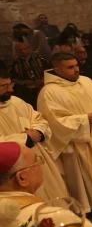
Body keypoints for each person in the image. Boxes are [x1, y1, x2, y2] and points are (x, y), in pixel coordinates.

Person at [37, 53, 92, 212]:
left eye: (76, 65)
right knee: (90, 179)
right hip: (79, 143)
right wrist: (84, 120)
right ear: (57, 69)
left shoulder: (86, 81)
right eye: (70, 67)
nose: (76, 70)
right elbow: (54, 123)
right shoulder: (48, 93)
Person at [0, 74, 70, 203]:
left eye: (10, 84)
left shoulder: (16, 102)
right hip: (13, 171)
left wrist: (38, 131)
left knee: (53, 195)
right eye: (3, 86)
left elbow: (38, 118)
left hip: (37, 156)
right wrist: (25, 138)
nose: (10, 89)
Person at [10, 41, 50, 108]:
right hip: (28, 90)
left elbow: (49, 70)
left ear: (30, 48)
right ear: (17, 51)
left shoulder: (40, 59)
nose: (23, 51)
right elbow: (13, 79)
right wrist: (26, 82)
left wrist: (43, 80)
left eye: (25, 48)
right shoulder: (16, 64)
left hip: (44, 84)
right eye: (20, 50)